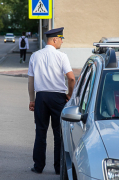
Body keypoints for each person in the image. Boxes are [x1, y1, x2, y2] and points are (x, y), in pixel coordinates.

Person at [27, 27, 75, 174]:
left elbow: (31, 81)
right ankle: (58, 167)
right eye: (61, 39)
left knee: (40, 132)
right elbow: (71, 78)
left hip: (41, 97)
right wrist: (70, 95)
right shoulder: (62, 56)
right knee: (58, 133)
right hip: (58, 98)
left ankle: (38, 166)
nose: (62, 42)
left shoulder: (35, 56)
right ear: (55, 39)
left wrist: (32, 100)